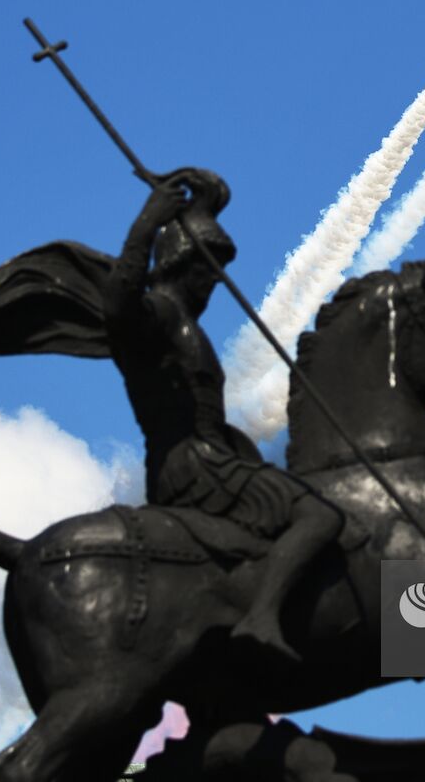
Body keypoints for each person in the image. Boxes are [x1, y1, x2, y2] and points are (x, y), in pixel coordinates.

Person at [101, 169, 342, 663]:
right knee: (318, 515)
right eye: (206, 268)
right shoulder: (161, 316)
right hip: (193, 467)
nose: (213, 280)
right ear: (178, 263)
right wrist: (146, 225)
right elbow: (118, 308)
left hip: (217, 456)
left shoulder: (187, 325)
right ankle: (261, 616)